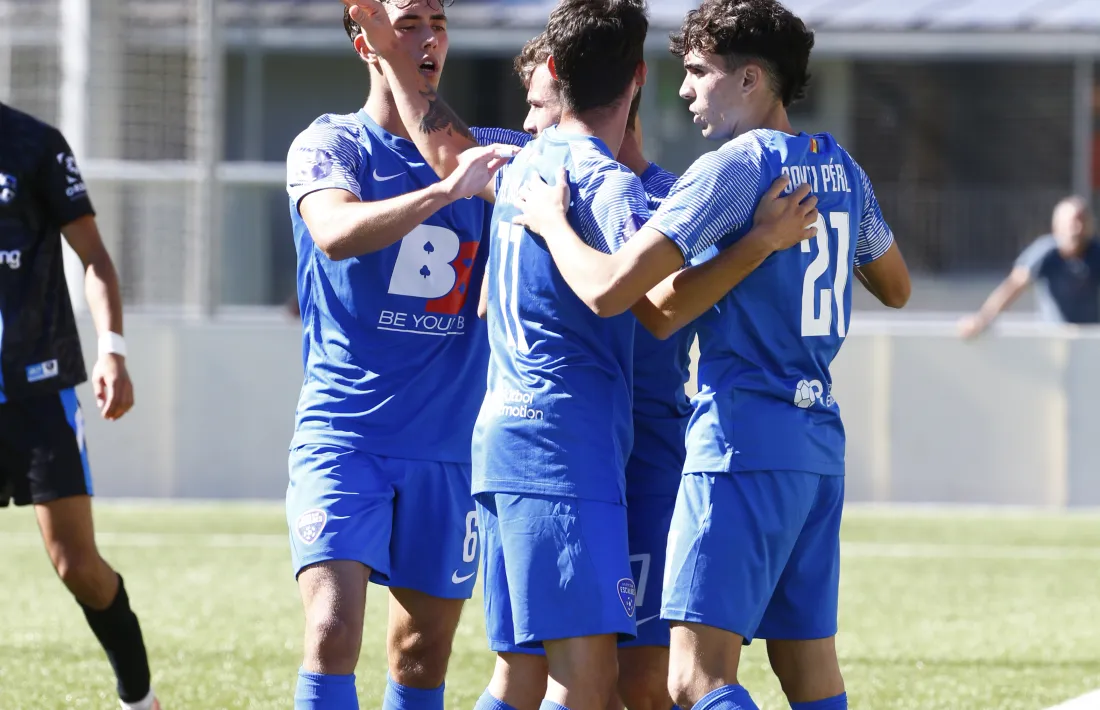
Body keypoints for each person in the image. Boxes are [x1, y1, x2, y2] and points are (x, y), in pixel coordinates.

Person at [343, 4, 816, 710]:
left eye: (538, 104)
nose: (529, 124)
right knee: (588, 685)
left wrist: (388, 51)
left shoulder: (601, 186)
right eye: (530, 109)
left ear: (564, 85)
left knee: (579, 681)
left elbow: (450, 150)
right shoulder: (581, 180)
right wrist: (760, 247)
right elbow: (647, 305)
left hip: (612, 456)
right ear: (637, 79)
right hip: (566, 451)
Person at [511, 1, 911, 708]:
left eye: (699, 72)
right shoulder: (841, 166)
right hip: (816, 447)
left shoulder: (733, 166)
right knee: (809, 672)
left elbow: (646, 305)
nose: (686, 90)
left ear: (752, 78)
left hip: (740, 441)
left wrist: (549, 221)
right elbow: (896, 285)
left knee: (696, 678)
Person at [283, 2, 520, 708]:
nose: (428, 38)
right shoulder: (329, 146)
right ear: (366, 43)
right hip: (345, 433)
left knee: (421, 656)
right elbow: (333, 230)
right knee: (330, 628)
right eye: (407, 22)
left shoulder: (492, 151)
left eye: (438, 22)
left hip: (449, 447)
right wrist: (444, 192)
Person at [0, 102, 158, 710]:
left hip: (39, 391)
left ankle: (140, 699)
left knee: (77, 566)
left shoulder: (34, 145)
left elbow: (94, 258)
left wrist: (111, 351)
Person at [958, 196, 1100, 338]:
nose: (1078, 228)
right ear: (1057, 225)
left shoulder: (1096, 252)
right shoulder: (1045, 252)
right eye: (1073, 222)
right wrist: (983, 319)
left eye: (1083, 221)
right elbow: (1014, 285)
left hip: (1089, 340)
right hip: (1053, 339)